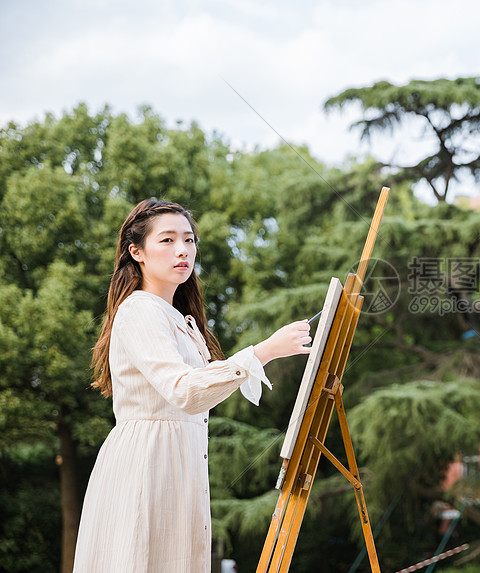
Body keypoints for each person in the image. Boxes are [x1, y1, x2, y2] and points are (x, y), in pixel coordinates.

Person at [73, 199, 312, 572]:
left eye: (189, 240)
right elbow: (184, 390)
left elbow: (201, 390)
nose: (183, 250)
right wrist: (263, 351)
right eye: (167, 240)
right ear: (136, 251)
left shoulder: (181, 319)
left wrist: (262, 356)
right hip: (146, 466)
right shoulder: (139, 310)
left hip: (179, 465)